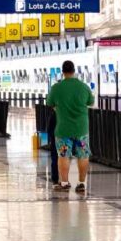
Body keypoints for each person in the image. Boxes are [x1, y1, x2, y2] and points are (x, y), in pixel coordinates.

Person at [45, 59, 94, 194]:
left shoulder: (57, 88)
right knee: (83, 155)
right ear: (74, 71)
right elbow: (91, 101)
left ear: (63, 72)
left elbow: (50, 103)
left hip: (63, 128)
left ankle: (65, 183)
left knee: (63, 155)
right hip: (81, 128)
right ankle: (81, 183)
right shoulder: (83, 87)